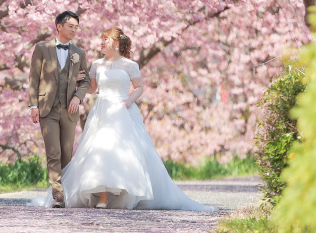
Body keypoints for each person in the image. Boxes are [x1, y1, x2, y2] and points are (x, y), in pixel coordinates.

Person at [33, 27, 215, 211]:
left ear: (117, 43)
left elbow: (139, 87)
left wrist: (128, 101)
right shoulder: (97, 64)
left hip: (122, 109)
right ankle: (102, 196)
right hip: (101, 110)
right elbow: (92, 89)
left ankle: (124, 191)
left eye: (106, 40)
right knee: (100, 150)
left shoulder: (130, 65)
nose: (102, 43)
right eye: (101, 39)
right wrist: (76, 80)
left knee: (123, 151)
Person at [28, 11, 91, 208]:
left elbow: (86, 81)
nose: (74, 30)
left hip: (70, 111)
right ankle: (58, 195)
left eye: (76, 27)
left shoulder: (79, 53)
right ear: (59, 27)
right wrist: (33, 105)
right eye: (71, 26)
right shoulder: (41, 48)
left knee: (66, 154)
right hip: (48, 109)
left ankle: (67, 191)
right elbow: (34, 78)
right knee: (53, 152)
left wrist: (77, 97)